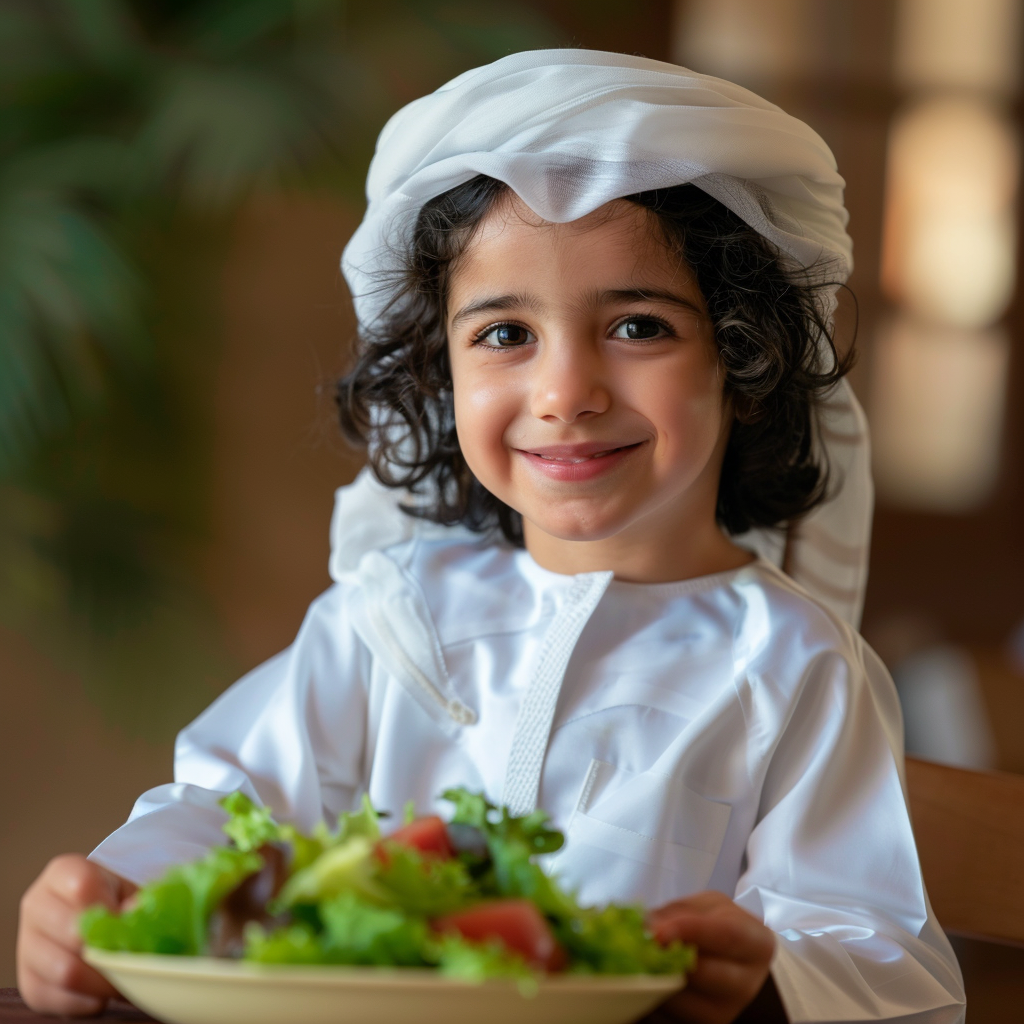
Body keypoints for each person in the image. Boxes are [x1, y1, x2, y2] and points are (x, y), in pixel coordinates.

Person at [17, 50, 965, 1023]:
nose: (564, 393)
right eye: (506, 334)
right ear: (439, 374)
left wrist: (763, 980)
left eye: (637, 326)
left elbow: (877, 955)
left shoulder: (794, 664)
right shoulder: (389, 618)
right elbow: (226, 808)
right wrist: (112, 898)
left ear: (743, 357)